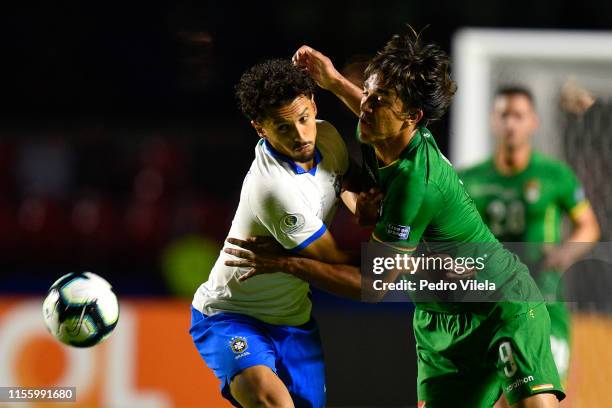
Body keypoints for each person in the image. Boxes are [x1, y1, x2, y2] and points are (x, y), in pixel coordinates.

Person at [225, 30, 566, 407]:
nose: (366, 107)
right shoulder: (379, 130)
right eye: (367, 94)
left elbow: (372, 284)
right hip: (439, 322)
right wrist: (335, 80)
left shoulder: (414, 184)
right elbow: (370, 108)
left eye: (379, 101)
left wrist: (288, 264)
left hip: (499, 306)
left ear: (412, 117)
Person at [189, 58, 369, 408]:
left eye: (304, 119)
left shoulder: (327, 134)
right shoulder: (274, 189)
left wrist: (359, 204)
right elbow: (332, 259)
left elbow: (343, 175)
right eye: (283, 128)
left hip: (294, 322)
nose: (301, 135)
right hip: (231, 316)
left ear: (313, 106)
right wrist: (389, 262)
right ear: (260, 128)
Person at [459, 86, 600, 393]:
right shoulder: (469, 179)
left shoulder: (555, 175)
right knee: (489, 396)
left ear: (533, 122)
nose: (511, 123)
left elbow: (588, 227)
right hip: (489, 304)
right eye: (504, 115)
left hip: (544, 301)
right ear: (493, 121)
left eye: (518, 116)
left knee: (545, 394)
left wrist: (564, 254)